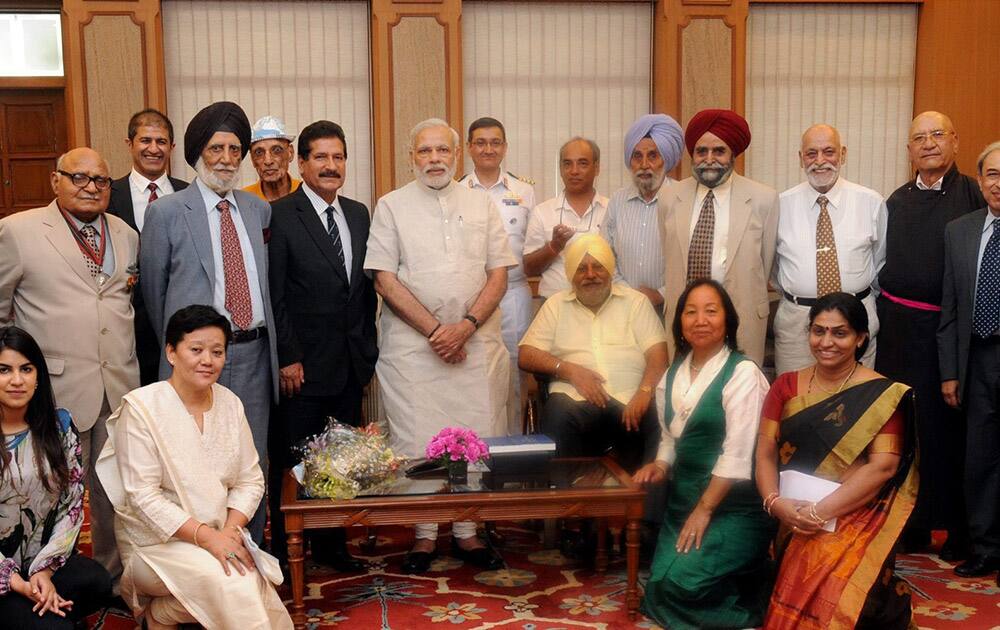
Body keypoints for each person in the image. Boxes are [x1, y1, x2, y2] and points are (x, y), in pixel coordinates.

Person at [365, 117, 515, 574]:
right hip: (415, 351)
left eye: (443, 151)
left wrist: (465, 327)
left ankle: (468, 533)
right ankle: (424, 535)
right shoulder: (390, 206)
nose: (434, 159)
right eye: (425, 151)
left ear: (456, 155)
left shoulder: (483, 204)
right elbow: (384, 278)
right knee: (419, 438)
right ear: (411, 157)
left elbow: (500, 273)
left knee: (473, 437)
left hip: (473, 346)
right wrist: (435, 331)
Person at [97, 305, 293, 630]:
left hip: (218, 535)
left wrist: (229, 533)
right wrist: (208, 539)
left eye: (217, 352)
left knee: (247, 578)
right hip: (155, 547)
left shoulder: (230, 403)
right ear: (171, 352)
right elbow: (143, 497)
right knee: (239, 581)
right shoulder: (143, 409)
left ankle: (161, 615)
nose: (208, 360)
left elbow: (250, 480)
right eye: (196, 349)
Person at [0, 147, 140, 586]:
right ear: (54, 180)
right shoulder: (17, 232)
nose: (91, 187)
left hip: (117, 381)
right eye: (78, 178)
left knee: (114, 492)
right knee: (48, 491)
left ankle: (110, 579)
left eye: (100, 180)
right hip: (53, 388)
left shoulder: (126, 233)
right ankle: (34, 577)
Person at [140, 101, 278, 543]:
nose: (226, 159)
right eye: (216, 148)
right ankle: (198, 561)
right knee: (192, 463)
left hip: (254, 354)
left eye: (235, 150)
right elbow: (154, 296)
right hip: (195, 361)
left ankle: (248, 554)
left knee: (250, 463)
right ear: (198, 152)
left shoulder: (258, 212)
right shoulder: (165, 213)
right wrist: (184, 354)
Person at [756, 292, 916, 629]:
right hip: (792, 512)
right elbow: (766, 449)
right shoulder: (786, 386)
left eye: (839, 333)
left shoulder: (882, 395)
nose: (826, 342)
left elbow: (883, 466)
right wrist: (775, 503)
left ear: (861, 339)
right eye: (818, 331)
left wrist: (821, 512)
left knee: (843, 580)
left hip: (856, 513)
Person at [267, 120, 377, 572]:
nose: (331, 166)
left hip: (350, 365)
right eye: (321, 158)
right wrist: (288, 356)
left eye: (338, 157)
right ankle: (285, 552)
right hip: (303, 369)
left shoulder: (357, 213)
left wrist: (367, 352)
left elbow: (363, 288)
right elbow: (274, 293)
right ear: (302, 162)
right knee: (295, 463)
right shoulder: (280, 214)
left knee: (338, 461)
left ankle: (332, 547)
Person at [637, 280, 773, 630]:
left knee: (680, 588)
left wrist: (705, 510)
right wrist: (660, 464)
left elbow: (739, 453)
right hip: (683, 505)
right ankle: (737, 584)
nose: (700, 320)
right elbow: (669, 437)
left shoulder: (743, 374)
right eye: (691, 311)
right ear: (679, 321)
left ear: (727, 320)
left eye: (711, 311)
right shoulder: (671, 376)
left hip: (733, 507)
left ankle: (755, 603)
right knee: (657, 591)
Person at [877, 111, 983, 558]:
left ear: (955, 141)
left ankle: (958, 528)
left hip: (948, 333)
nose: (929, 144)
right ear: (909, 150)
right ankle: (912, 525)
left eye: (938, 134)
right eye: (918, 138)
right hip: (899, 331)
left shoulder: (974, 196)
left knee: (950, 432)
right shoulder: (896, 200)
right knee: (905, 430)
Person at [518, 234, 667, 474]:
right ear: (571, 275)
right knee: (557, 414)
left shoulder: (636, 302)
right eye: (581, 269)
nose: (590, 274)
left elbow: (658, 353)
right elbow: (526, 354)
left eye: (598, 266)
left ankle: (646, 507)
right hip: (574, 403)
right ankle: (568, 506)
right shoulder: (556, 305)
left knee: (660, 414)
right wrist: (569, 370)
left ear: (609, 270)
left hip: (633, 399)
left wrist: (645, 392)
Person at [0, 326, 113, 628]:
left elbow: (72, 507)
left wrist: (43, 571)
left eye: (26, 368)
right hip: (1, 573)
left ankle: (38, 608)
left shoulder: (60, 426)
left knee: (98, 581)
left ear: (38, 377)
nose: (17, 380)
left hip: (39, 561)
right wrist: (14, 580)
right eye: (4, 370)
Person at [659, 109, 778, 366]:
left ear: (733, 154)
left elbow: (764, 264)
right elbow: (669, 255)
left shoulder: (763, 199)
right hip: (686, 319)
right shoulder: (669, 197)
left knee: (738, 394)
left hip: (741, 316)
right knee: (686, 394)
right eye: (701, 151)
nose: (709, 159)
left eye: (719, 151)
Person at [773, 124, 886, 374]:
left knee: (855, 403)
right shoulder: (780, 205)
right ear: (800, 158)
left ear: (843, 154)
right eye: (811, 153)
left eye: (829, 152)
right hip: (796, 326)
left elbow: (880, 262)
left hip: (855, 322)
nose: (820, 161)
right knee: (797, 403)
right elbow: (772, 268)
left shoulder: (871, 202)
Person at [939, 141, 1000, 583]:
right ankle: (986, 548)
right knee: (979, 459)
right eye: (993, 174)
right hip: (975, 358)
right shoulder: (960, 230)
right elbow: (951, 308)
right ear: (980, 182)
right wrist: (950, 372)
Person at [459, 117, 536, 435]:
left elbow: (532, 249)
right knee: (475, 373)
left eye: (495, 142)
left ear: (504, 147)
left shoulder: (524, 191)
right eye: (480, 142)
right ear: (469, 148)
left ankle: (514, 450)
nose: (488, 149)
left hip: (514, 296)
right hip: (472, 298)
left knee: (516, 377)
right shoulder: (456, 191)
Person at [108, 108, 189, 387]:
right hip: (126, 326)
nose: (153, 149)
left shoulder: (190, 194)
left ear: (172, 147)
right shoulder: (107, 195)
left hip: (180, 323)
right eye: (145, 141)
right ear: (129, 144)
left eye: (162, 142)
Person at [602, 114, 684, 314]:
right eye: (637, 156)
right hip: (622, 308)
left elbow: (691, 261)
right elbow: (605, 255)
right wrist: (628, 294)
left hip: (671, 308)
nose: (644, 164)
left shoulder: (684, 200)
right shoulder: (617, 202)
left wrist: (660, 294)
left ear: (666, 159)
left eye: (653, 156)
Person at [523, 137, 609, 298]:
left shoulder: (612, 210)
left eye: (582, 163)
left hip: (603, 306)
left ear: (596, 168)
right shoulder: (542, 212)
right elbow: (529, 269)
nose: (574, 171)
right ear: (561, 169)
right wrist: (554, 247)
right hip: (554, 306)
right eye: (567, 164)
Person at [242, 115, 301, 202]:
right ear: (252, 159)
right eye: (259, 152)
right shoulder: (244, 201)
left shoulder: (307, 194)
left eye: (277, 150)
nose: (268, 161)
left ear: (290, 153)